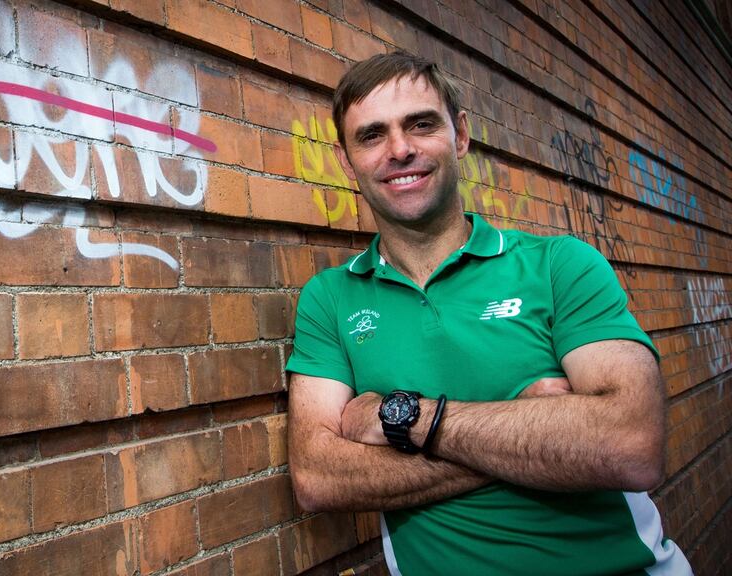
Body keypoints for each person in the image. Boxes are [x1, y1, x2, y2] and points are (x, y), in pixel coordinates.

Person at [286, 51, 692, 575]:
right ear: (346, 161)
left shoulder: (559, 265)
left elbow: (633, 443)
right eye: (372, 136)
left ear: (460, 135)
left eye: (421, 124)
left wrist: (404, 417)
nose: (400, 149)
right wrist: (537, 435)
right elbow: (318, 479)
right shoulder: (330, 299)